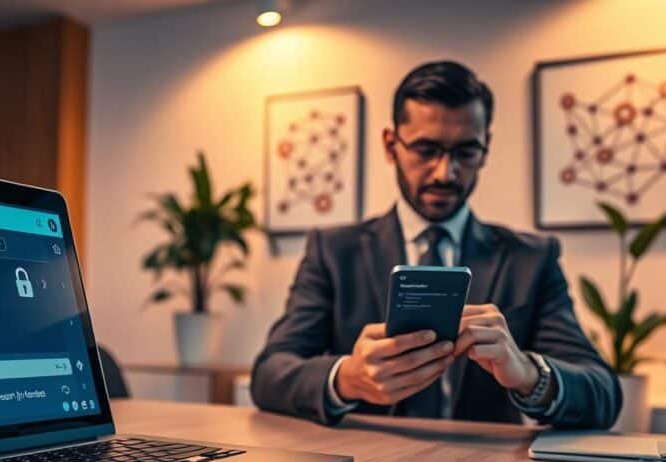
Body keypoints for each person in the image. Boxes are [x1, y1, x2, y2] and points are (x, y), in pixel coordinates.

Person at [251, 61, 621, 428]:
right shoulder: (333, 252)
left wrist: (528, 373)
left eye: (466, 152)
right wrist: (346, 379)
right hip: (366, 458)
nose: (446, 172)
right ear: (391, 145)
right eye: (426, 150)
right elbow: (269, 373)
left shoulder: (531, 259)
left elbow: (603, 394)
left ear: (486, 148)